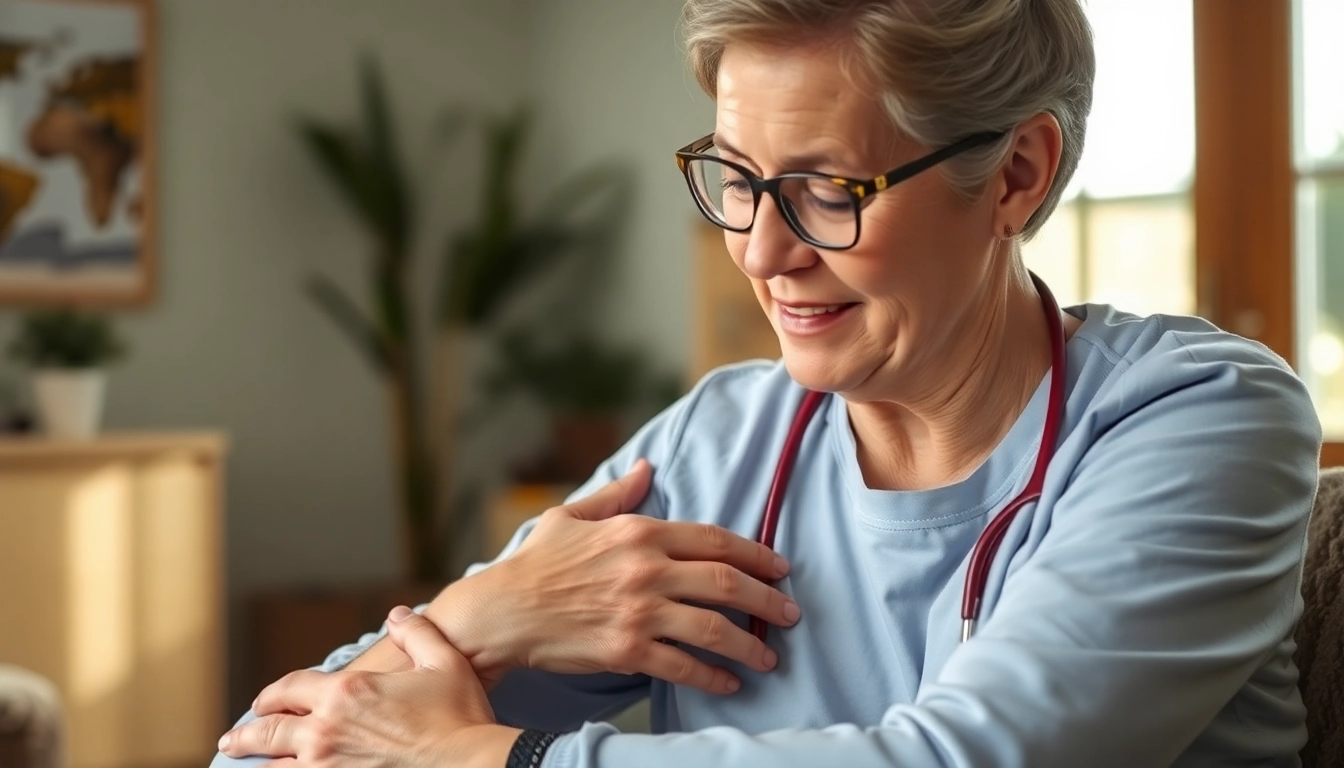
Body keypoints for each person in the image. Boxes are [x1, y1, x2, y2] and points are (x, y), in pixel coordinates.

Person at [213, 0, 1323, 766]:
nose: (760, 250)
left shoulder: (1198, 419)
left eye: (827, 191)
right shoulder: (720, 442)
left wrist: (493, 756)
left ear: (1015, 176)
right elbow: (274, 749)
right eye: (736, 181)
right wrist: (486, 616)